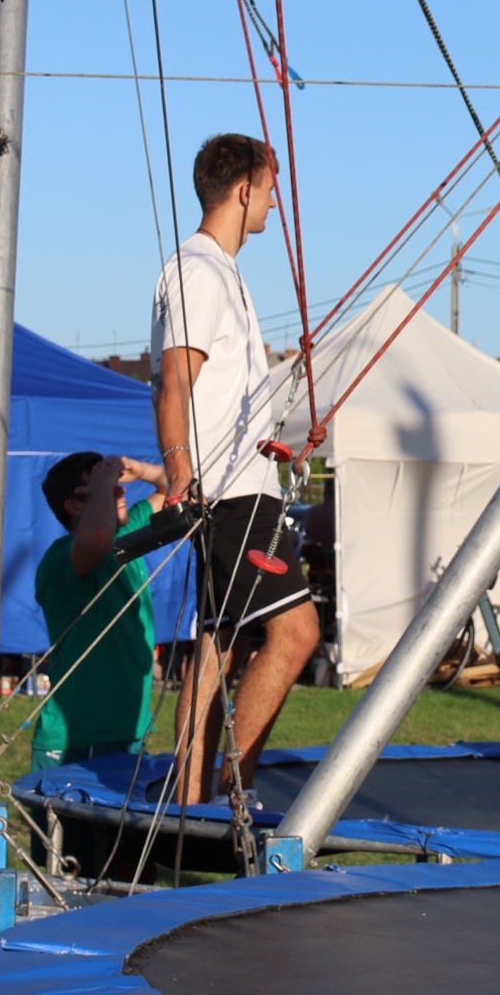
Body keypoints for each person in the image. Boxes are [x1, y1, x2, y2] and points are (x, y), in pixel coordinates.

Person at [152, 134, 319, 805]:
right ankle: (233, 795)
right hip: (229, 494)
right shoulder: (199, 270)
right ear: (244, 190)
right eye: (270, 190)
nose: (274, 203)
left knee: (221, 646)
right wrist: (178, 468)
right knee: (297, 632)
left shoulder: (222, 272)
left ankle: (192, 798)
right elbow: (173, 381)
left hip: (242, 485)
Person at [31, 453, 167, 771]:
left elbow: (178, 488)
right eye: (105, 489)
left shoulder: (126, 534)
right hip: (76, 740)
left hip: (129, 732)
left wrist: (142, 470)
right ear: (75, 507)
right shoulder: (60, 556)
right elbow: (96, 537)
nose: (120, 491)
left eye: (117, 486)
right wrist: (105, 483)